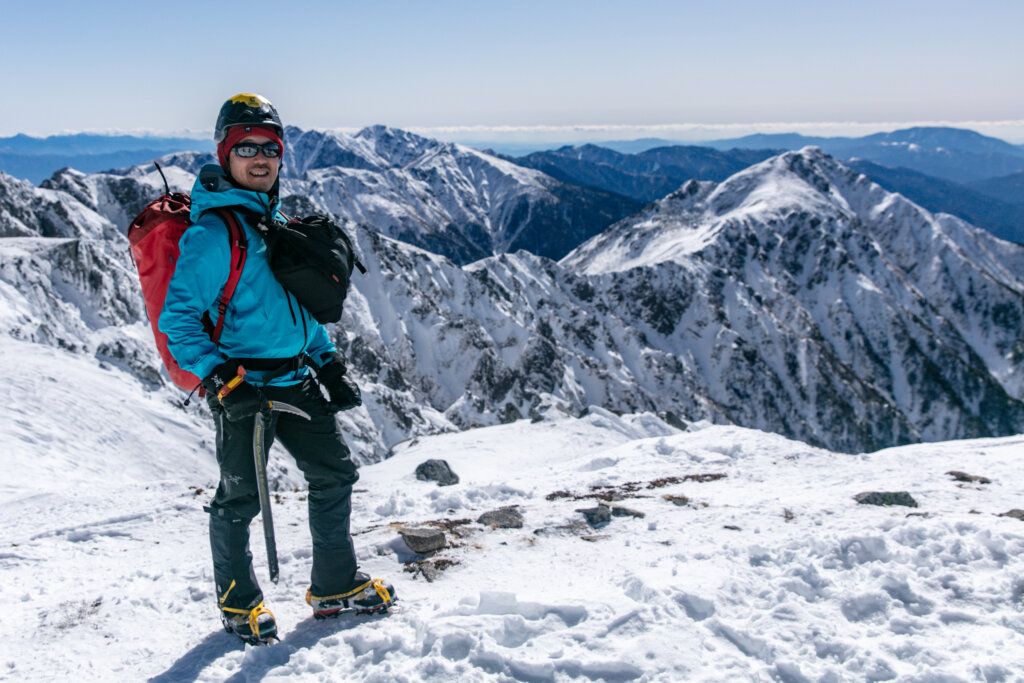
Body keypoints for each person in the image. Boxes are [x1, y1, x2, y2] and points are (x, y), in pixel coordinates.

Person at [159, 93, 394, 644]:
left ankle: (334, 585)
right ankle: (238, 604)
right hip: (244, 388)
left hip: (296, 378)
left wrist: (326, 360)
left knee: (334, 473)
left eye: (270, 147)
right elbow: (180, 320)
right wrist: (220, 379)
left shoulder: (276, 221)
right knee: (238, 497)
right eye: (246, 146)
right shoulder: (215, 235)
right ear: (224, 153)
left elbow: (298, 309)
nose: (260, 157)